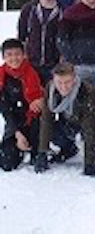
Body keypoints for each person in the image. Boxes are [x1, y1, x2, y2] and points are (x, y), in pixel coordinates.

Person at [35, 63, 95, 176]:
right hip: (68, 122)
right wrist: (42, 152)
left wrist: (89, 162)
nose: (63, 86)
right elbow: (47, 120)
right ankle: (68, 148)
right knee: (45, 129)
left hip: (91, 125)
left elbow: (90, 127)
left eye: (67, 82)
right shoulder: (50, 89)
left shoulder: (86, 91)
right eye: (59, 82)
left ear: (74, 80)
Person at [0, 39, 44, 171]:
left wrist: (42, 99)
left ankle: (40, 147)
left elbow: (52, 91)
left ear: (24, 54)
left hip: (35, 121)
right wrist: (17, 134)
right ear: (3, 57)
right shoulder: (2, 77)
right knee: (7, 163)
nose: (14, 58)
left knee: (38, 162)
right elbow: (5, 110)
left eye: (17, 53)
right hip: (14, 122)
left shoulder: (35, 72)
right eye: (9, 54)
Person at [17, 0, 62, 83]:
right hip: (31, 63)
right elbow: (21, 35)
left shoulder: (62, 10)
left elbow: (65, 37)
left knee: (51, 97)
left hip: (54, 64)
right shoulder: (29, 9)